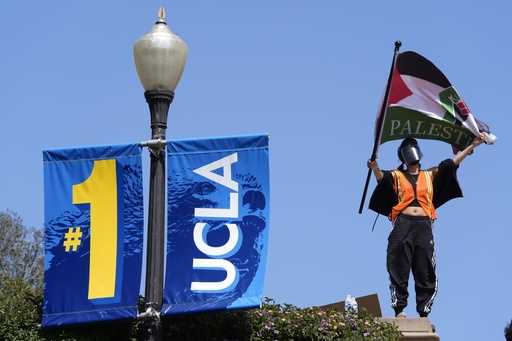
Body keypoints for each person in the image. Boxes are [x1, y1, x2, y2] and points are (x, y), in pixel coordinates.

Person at [367, 134, 484, 318]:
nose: (410, 151)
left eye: (412, 147)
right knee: (399, 264)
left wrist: (472, 145)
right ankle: (400, 310)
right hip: (402, 225)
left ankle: (424, 312)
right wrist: (374, 167)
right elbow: (383, 181)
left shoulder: (430, 174)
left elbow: (451, 164)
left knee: (425, 267)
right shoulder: (396, 175)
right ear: (402, 156)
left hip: (423, 226)